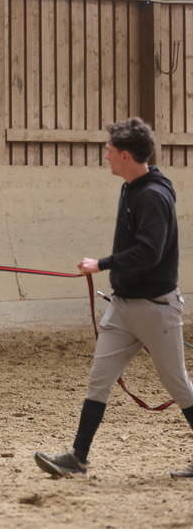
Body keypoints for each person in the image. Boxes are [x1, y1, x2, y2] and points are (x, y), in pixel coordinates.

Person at [35, 117, 193, 479]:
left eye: (108, 151)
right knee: (99, 379)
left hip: (155, 309)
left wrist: (101, 264)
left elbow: (149, 253)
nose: (105, 156)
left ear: (124, 155)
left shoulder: (152, 195)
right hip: (124, 307)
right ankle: (77, 458)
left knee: (178, 385)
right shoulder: (132, 187)